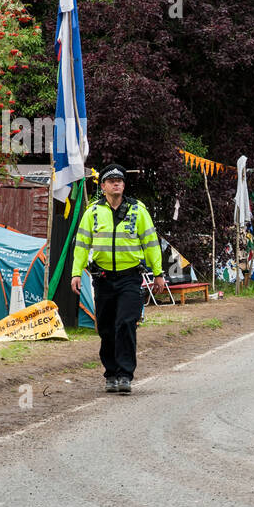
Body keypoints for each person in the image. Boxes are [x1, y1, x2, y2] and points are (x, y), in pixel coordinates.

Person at [70, 163, 164, 393]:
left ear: (124, 184)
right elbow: (81, 245)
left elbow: (151, 243)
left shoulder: (137, 210)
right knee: (106, 328)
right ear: (103, 186)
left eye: (120, 180)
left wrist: (158, 273)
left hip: (130, 278)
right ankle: (110, 373)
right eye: (111, 180)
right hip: (103, 279)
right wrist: (76, 273)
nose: (116, 183)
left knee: (126, 323)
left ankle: (125, 375)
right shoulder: (92, 212)